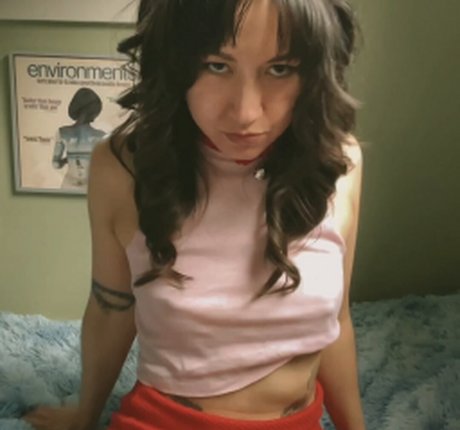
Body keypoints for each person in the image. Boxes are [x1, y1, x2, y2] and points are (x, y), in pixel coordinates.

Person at [24, 0, 366, 428]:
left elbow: (337, 319)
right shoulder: (123, 169)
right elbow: (112, 308)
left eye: (280, 69)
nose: (245, 113)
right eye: (216, 66)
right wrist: (84, 415)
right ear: (176, 61)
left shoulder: (339, 164)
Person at [52, 87, 106, 190]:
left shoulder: (62, 132)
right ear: (94, 111)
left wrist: (68, 159)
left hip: (68, 186)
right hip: (91, 187)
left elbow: (56, 164)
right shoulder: (101, 136)